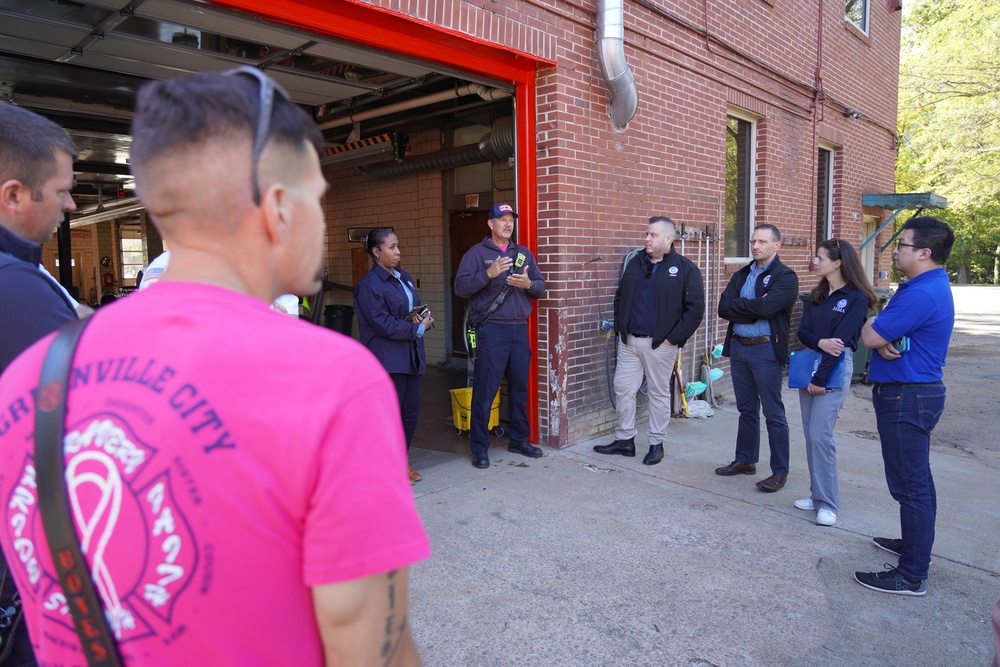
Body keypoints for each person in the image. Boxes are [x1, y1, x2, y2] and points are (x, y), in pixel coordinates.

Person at [0, 68, 429, 665]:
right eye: (318, 199)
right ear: (279, 208)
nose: (324, 224)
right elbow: (371, 650)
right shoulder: (331, 383)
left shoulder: (29, 378)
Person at [0, 101, 81, 667]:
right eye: (62, 191)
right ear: (14, 195)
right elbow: (91, 409)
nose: (71, 205)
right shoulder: (15, 290)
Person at [855, 216, 955, 597]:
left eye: (903, 245)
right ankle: (913, 547)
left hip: (907, 396)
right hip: (912, 394)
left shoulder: (921, 293)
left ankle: (911, 574)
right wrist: (881, 336)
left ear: (925, 253)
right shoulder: (923, 285)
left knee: (911, 487)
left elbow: (869, 332)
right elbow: (879, 333)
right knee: (915, 483)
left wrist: (877, 334)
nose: (896, 251)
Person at [593, 216, 705, 465]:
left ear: (668, 238)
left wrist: (672, 339)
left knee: (658, 393)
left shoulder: (685, 268)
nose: (646, 239)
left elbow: (695, 309)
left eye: (652, 235)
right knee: (623, 389)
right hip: (629, 341)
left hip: (660, 344)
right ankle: (625, 440)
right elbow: (621, 295)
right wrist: (622, 328)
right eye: (646, 234)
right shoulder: (635, 263)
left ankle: (656, 443)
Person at [454, 202, 545, 469]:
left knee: (519, 388)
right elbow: (460, 287)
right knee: (485, 389)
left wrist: (529, 284)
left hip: (518, 329)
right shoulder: (476, 254)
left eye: (511, 220)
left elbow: (540, 287)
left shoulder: (523, 254)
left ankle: (519, 439)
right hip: (491, 330)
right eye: (502, 219)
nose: (508, 224)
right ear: (490, 224)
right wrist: (488, 273)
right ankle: (479, 447)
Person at [794, 239, 877, 526]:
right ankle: (817, 496)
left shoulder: (857, 298)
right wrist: (819, 341)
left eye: (819, 258)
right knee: (810, 435)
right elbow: (802, 333)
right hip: (810, 363)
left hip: (835, 368)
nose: (815, 262)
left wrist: (820, 378)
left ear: (837, 262)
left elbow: (839, 344)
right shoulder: (818, 294)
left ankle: (829, 503)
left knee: (821, 436)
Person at [715, 223, 799, 492]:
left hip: (765, 350)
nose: (755, 246)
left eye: (762, 242)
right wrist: (753, 309)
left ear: (777, 245)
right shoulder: (742, 274)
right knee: (746, 409)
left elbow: (768, 307)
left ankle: (779, 471)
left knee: (774, 413)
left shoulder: (785, 277)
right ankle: (745, 460)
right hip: (739, 347)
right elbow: (723, 307)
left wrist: (745, 307)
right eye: (753, 241)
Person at [355, 227, 434, 484]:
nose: (398, 251)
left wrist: (418, 318)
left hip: (411, 355)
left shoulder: (404, 277)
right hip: (388, 359)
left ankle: (400, 462)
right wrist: (418, 328)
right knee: (389, 417)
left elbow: (407, 310)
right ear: (376, 252)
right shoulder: (369, 285)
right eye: (391, 247)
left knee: (410, 414)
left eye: (398, 246)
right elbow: (383, 324)